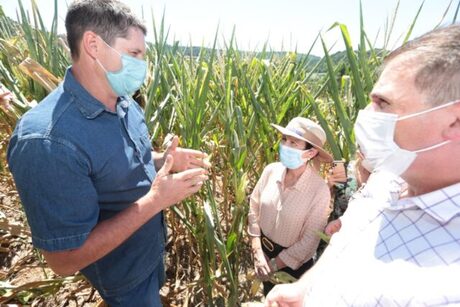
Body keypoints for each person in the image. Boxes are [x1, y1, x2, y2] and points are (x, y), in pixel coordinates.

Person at [6, 1, 210, 305]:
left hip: (148, 255)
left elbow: (127, 165)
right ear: (93, 45)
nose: (142, 65)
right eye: (134, 54)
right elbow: (63, 261)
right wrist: (157, 200)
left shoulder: (125, 103)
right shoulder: (47, 141)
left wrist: (164, 161)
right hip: (123, 278)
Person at [266, 24, 460, 306]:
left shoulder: (447, 289)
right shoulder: (388, 178)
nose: (366, 114)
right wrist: (307, 287)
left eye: (382, 102)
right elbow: (346, 240)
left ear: (454, 121)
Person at [248, 117, 333, 296]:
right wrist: (257, 250)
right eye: (284, 140)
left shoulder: (319, 191)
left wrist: (273, 265)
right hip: (262, 254)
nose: (285, 146)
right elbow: (254, 206)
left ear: (310, 153)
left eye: (294, 143)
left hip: (292, 268)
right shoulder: (270, 171)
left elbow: (310, 240)